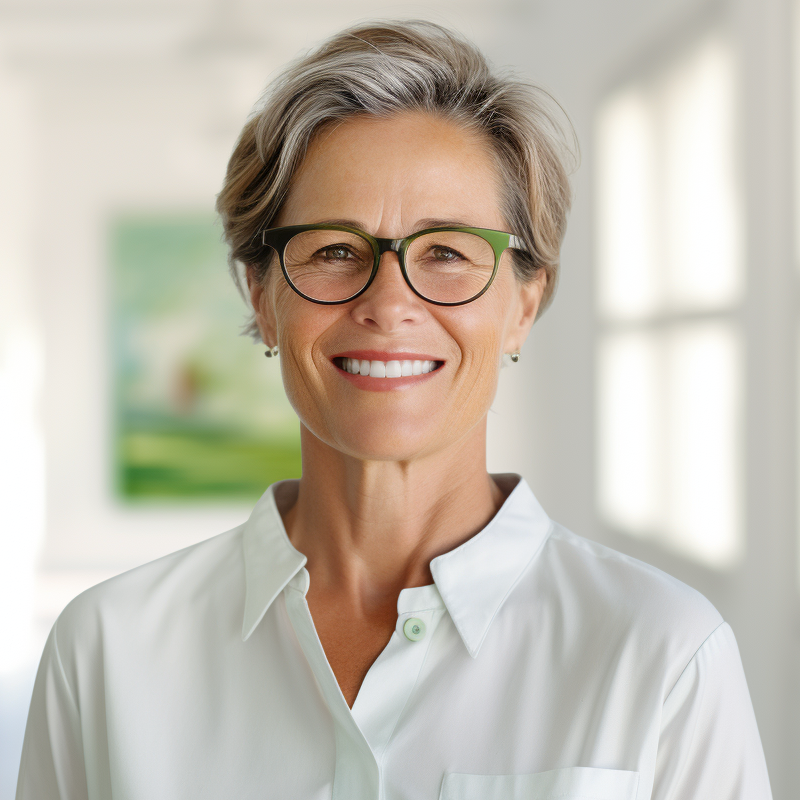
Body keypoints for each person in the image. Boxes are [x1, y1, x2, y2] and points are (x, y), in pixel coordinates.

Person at [16, 20, 771, 800]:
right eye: (335, 250)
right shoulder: (106, 651)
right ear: (263, 300)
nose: (389, 303)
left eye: (446, 251)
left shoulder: (666, 654)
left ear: (521, 305)